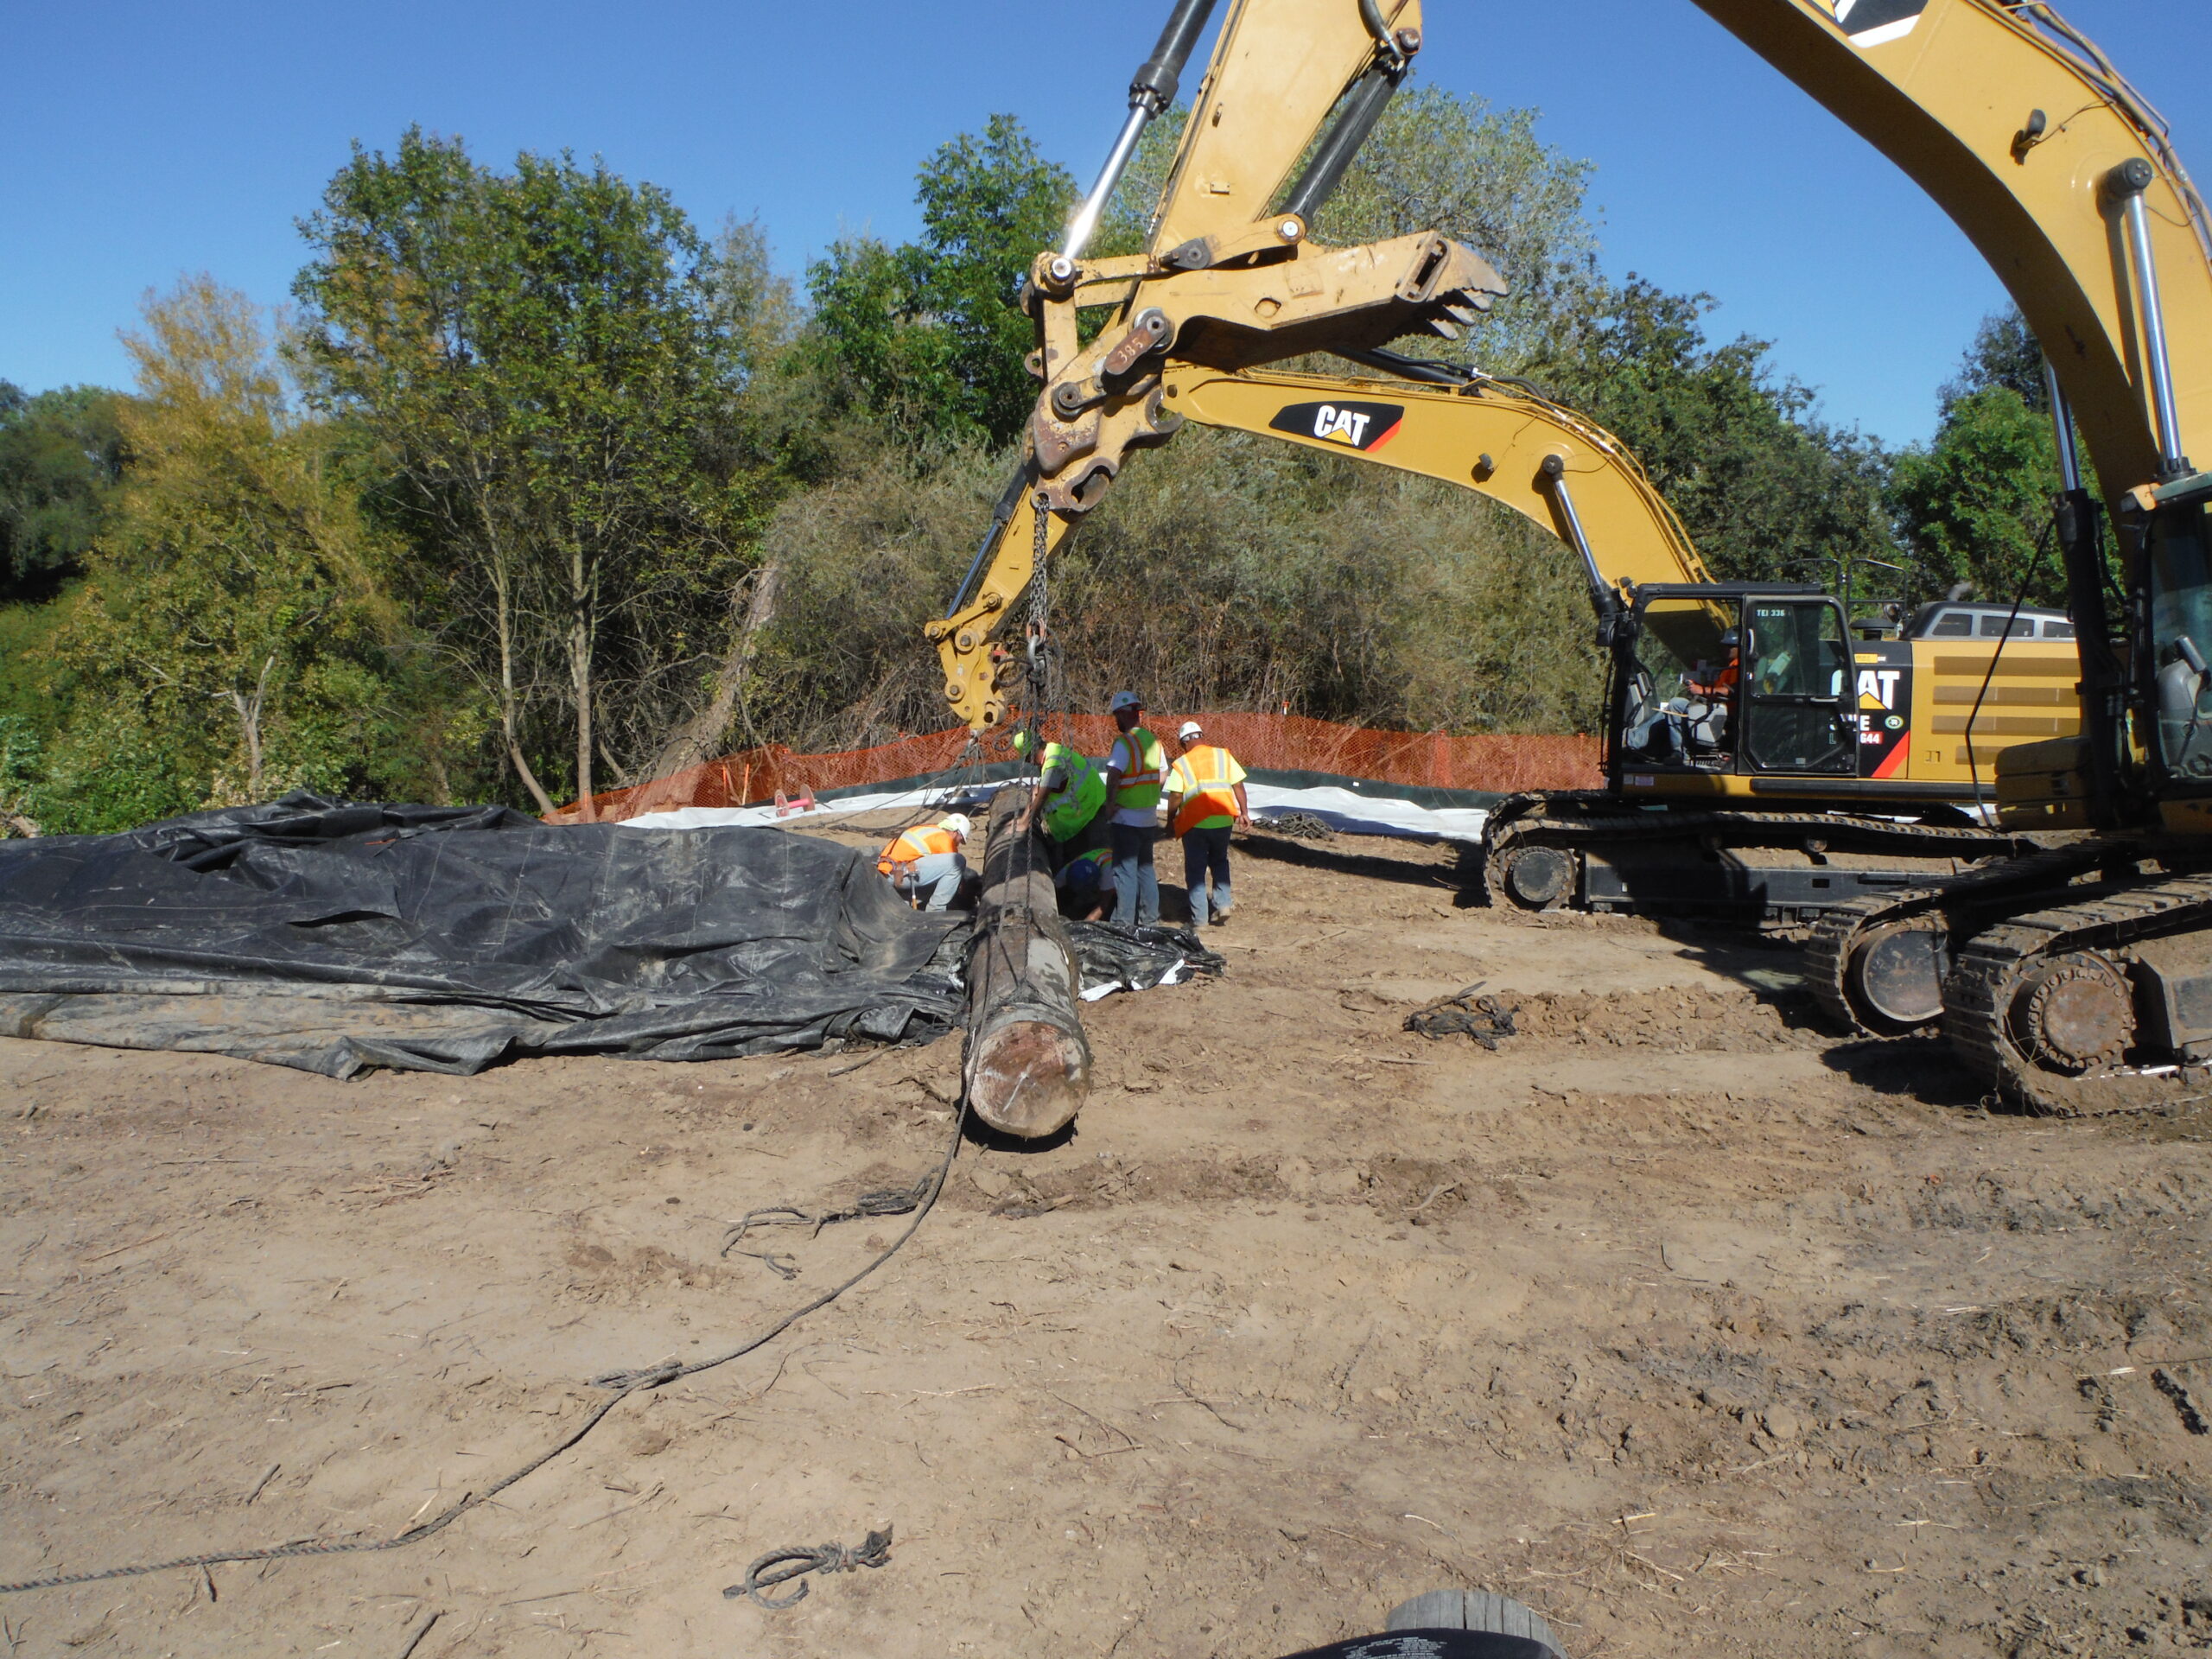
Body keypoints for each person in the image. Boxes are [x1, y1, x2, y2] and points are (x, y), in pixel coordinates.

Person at [1165, 719, 1249, 926]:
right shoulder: (1223, 755)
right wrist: (1244, 813)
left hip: (1196, 823)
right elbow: (1238, 785)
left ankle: (1200, 918)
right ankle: (1223, 904)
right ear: (1202, 737)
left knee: (1195, 869)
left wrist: (1170, 819)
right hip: (1223, 820)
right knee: (1220, 861)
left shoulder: (1182, 763)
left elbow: (1175, 796)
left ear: (1183, 743)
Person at [1099, 690, 1166, 928]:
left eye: (1116, 715)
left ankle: (1123, 923)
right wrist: (1148, 792)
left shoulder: (1124, 743)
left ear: (1123, 714)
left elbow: (1114, 775)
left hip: (1126, 818)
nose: (1116, 720)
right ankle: (1150, 921)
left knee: (1125, 872)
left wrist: (1110, 805)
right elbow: (1163, 774)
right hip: (1148, 817)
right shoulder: (1154, 741)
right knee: (1145, 870)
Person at [1009, 728, 1107, 863]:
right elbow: (1036, 791)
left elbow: (1042, 796)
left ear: (1032, 753)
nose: (1029, 763)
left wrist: (1025, 824)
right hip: (1085, 809)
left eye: (1027, 759)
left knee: (1090, 861)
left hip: (1090, 811)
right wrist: (1022, 819)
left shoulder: (1054, 763)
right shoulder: (1052, 750)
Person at [874, 814, 970, 912]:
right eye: (961, 839)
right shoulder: (944, 838)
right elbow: (954, 867)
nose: (958, 844)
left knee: (942, 876)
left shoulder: (927, 830)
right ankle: (936, 911)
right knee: (958, 861)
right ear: (955, 832)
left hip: (888, 873)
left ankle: (904, 903)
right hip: (898, 875)